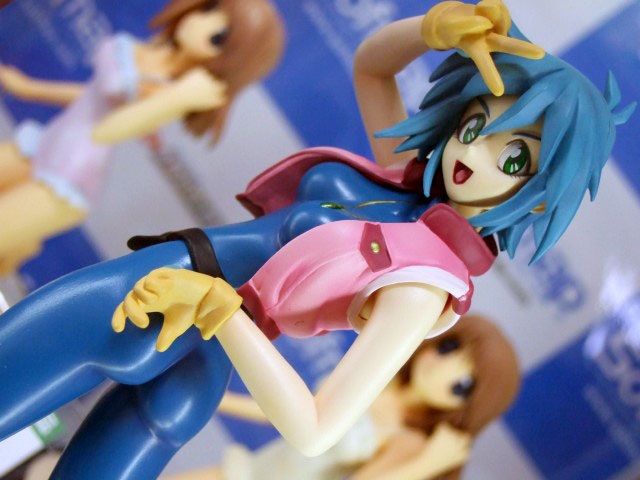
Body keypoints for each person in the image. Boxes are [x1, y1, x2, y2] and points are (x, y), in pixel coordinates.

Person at [0, 1, 632, 478]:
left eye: (514, 158)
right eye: (474, 126)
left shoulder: (423, 284)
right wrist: (432, 29)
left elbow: (316, 430)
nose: (474, 154)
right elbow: (372, 68)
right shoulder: (406, 183)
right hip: (190, 342)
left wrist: (220, 310)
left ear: (541, 196)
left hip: (169, 303)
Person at [0, 0, 284, 273]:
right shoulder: (147, 55)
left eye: (219, 36)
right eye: (209, 8)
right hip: (43, 144)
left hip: (70, 175)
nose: (199, 23)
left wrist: (178, 99)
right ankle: (20, 249)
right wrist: (29, 88)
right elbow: (90, 99)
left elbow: (106, 131)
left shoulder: (169, 91)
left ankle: (19, 248)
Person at [166, 316, 519, 480]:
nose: (441, 371)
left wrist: (424, 466)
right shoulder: (378, 381)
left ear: (471, 406)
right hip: (250, 473)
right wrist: (220, 401)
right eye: (449, 348)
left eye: (462, 384)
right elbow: (290, 412)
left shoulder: (410, 439)